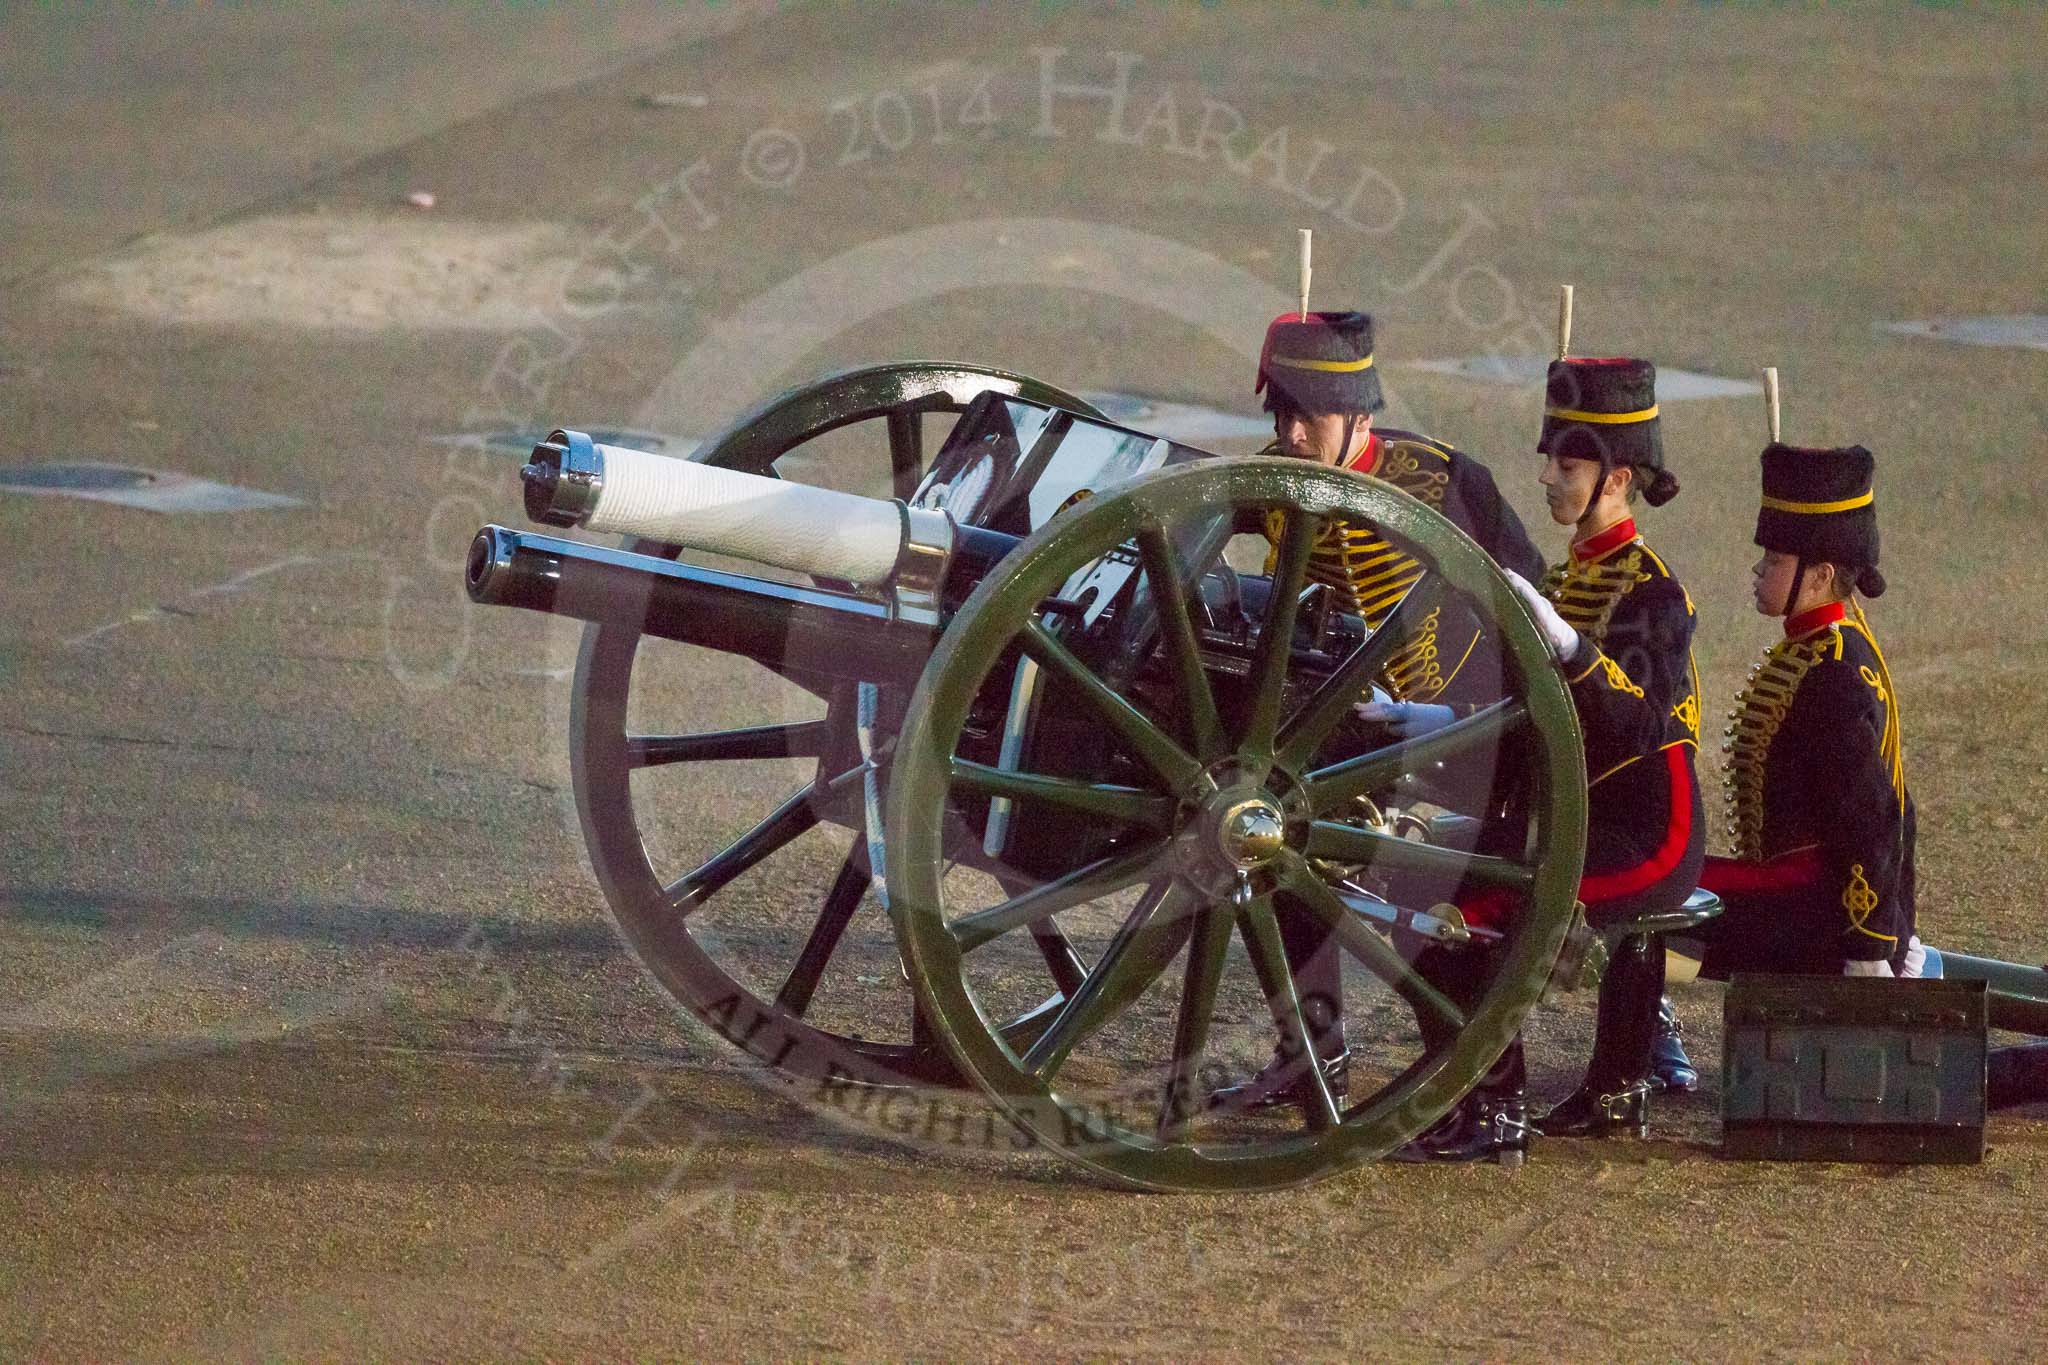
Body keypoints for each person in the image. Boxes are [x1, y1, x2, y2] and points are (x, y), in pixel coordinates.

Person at [1212, 309, 1544, 1113]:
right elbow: (1196, 516)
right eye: (1281, 414)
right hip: (1337, 737)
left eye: (1309, 415)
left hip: (1454, 737)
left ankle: (1486, 1090)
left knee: (1415, 905)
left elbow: (1533, 611)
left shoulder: (1443, 480)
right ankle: (1313, 1052)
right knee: (1271, 856)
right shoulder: (1277, 477)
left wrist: (1489, 728)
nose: (1292, 433)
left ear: (1359, 413)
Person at [1395, 356, 1707, 1160]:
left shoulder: (1653, 591)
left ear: (1617, 477)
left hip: (1647, 832)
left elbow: (1635, 728)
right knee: (1421, 867)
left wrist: (1568, 645)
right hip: (1579, 819)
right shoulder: (1573, 577)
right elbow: (1522, 721)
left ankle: (1492, 1102)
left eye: (1566, 465)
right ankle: (1574, 1091)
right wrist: (1413, 719)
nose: (1545, 477)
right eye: (1550, 460)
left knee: (1453, 903)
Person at [1688, 441, 1918, 979]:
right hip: (1795, 887)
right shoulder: (1819, 646)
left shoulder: (1833, 670)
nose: (1757, 569)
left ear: (1819, 576)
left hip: (1813, 906)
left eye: (1774, 560)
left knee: (1654, 902)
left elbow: (1872, 815)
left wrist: (1870, 943)